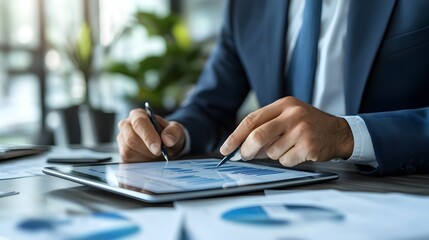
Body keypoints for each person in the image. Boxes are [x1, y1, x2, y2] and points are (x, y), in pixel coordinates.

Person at [117, 0, 429, 176]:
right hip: (277, 196)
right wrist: (173, 135)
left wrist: (344, 134)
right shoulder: (246, 7)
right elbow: (210, 105)